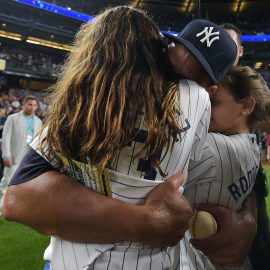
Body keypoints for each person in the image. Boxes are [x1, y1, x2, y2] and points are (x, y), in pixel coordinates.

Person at [3, 6, 248, 270]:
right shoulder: (197, 99)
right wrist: (144, 220)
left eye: (183, 77)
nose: (169, 82)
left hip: (71, 258)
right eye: (168, 65)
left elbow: (16, 200)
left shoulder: (89, 97)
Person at [177, 66, 270, 270]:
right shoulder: (251, 144)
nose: (202, 107)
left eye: (212, 102)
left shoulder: (214, 147)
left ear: (246, 105)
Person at [0, 95, 42, 212]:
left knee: (25, 184)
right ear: (24, 104)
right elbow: (6, 137)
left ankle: (16, 209)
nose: (32, 107)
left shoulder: (38, 121)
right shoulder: (12, 118)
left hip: (29, 157)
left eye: (34, 105)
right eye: (30, 104)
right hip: (14, 156)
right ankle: (0, 208)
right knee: (6, 182)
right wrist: (6, 155)